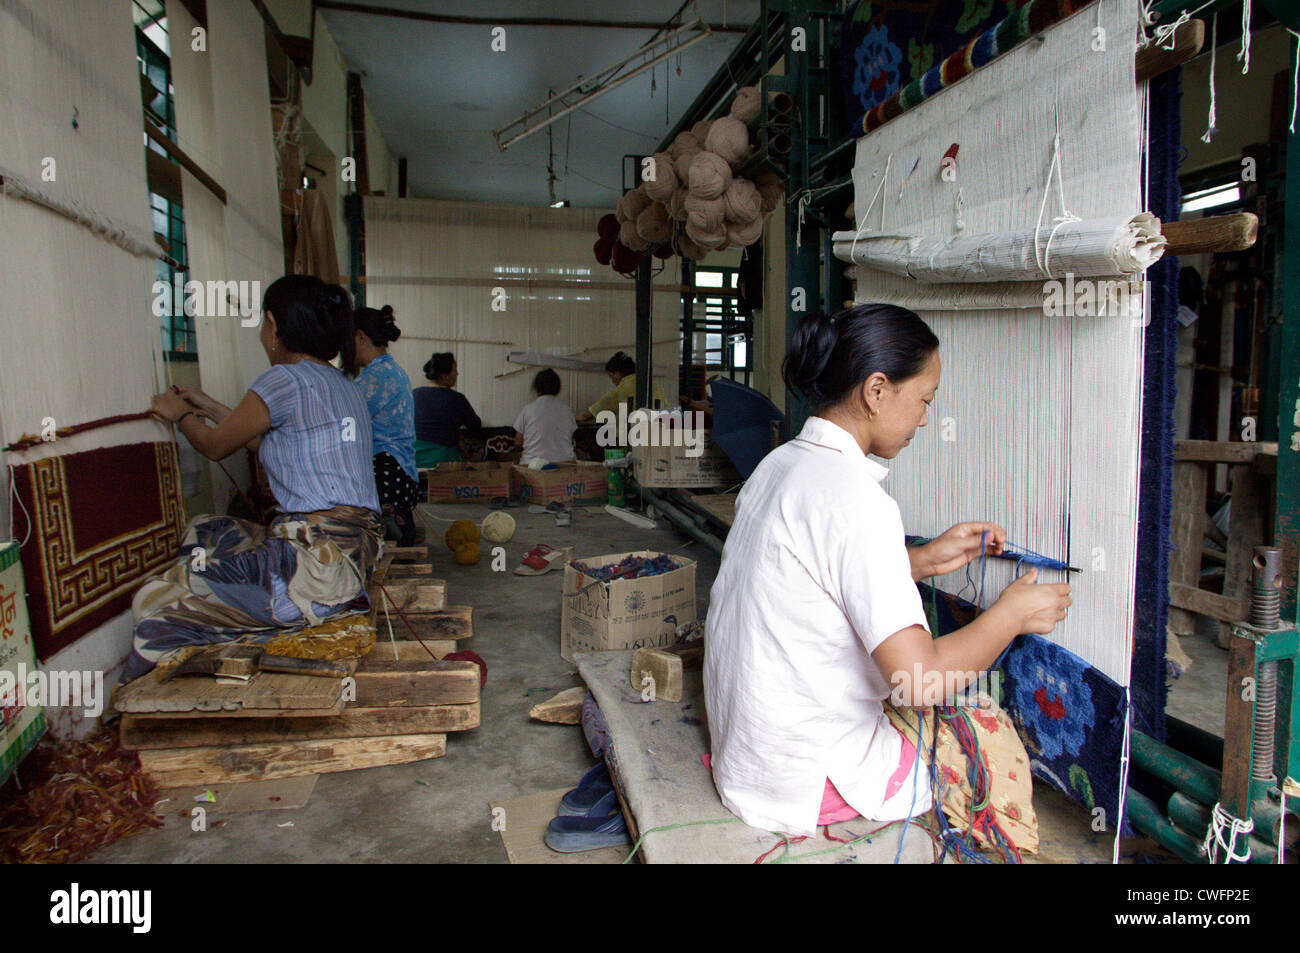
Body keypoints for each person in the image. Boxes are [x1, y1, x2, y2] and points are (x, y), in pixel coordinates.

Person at [703, 303, 1071, 839]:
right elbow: (918, 682)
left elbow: (808, 576)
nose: (925, 418)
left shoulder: (779, 465)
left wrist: (920, 562)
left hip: (750, 757)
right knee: (984, 738)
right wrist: (1009, 615)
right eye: (924, 400)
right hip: (808, 780)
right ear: (876, 391)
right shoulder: (858, 500)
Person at [129, 275, 382, 682]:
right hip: (350, 560)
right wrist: (207, 404)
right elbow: (267, 439)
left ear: (273, 326)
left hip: (313, 570)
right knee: (206, 531)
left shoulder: (282, 379)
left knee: (154, 603)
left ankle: (271, 630)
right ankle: (284, 610)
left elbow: (214, 446)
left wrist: (180, 415)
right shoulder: (343, 385)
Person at [351, 304, 419, 546]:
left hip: (387, 474)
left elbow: (342, 421)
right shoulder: (392, 371)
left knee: (389, 543)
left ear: (360, 337)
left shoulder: (374, 379)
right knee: (398, 538)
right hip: (401, 472)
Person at [413, 352, 480, 466]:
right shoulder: (457, 399)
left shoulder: (414, 394)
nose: (457, 374)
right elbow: (476, 425)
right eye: (455, 370)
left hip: (414, 460)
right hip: (444, 463)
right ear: (445, 376)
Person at [575, 351, 664, 423]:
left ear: (617, 374)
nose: (612, 381)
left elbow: (586, 415)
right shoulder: (654, 385)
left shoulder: (621, 390)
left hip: (631, 441)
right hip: (659, 438)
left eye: (611, 376)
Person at [513, 368, 576, 466]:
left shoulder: (528, 410)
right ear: (557, 389)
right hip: (565, 465)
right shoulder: (568, 411)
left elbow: (518, 442)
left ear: (537, 388)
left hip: (533, 466)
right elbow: (570, 439)